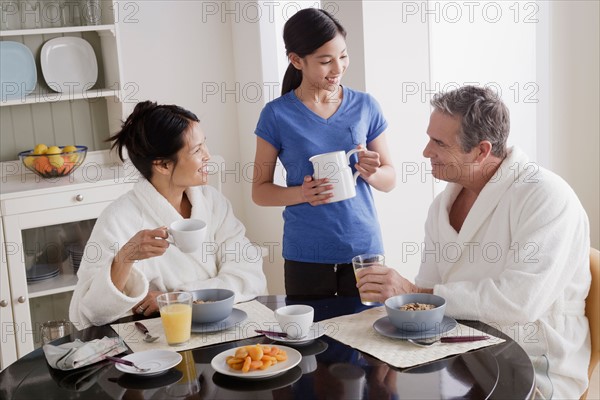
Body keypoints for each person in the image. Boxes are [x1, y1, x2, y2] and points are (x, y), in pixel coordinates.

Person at [355, 86, 591, 399]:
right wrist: (395, 312)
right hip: (463, 358)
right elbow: (426, 293)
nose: (426, 152)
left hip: (533, 365)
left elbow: (519, 301)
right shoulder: (443, 204)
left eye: (439, 143)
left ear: (481, 150)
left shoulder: (544, 196)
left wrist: (411, 292)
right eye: (429, 138)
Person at [69, 101, 266, 329]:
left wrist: (179, 297)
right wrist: (125, 257)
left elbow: (249, 274)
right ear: (162, 165)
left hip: (223, 325)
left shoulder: (213, 202)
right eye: (197, 150)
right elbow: (90, 312)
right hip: (159, 339)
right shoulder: (118, 218)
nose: (208, 156)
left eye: (205, 145)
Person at [252, 8, 396, 297]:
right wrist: (302, 194)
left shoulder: (366, 106)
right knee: (311, 340)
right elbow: (260, 191)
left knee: (366, 338)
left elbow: (389, 179)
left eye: (342, 56)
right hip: (305, 255)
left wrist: (373, 171)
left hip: (363, 250)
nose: (338, 68)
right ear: (296, 60)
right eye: (326, 61)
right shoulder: (276, 115)